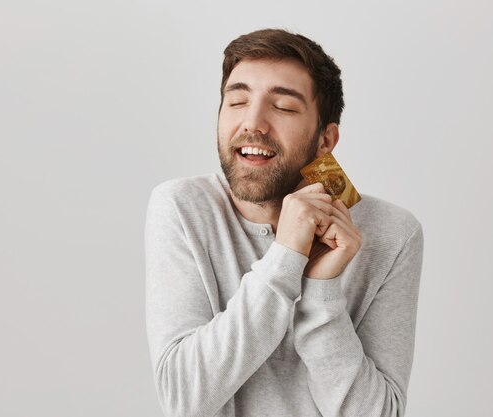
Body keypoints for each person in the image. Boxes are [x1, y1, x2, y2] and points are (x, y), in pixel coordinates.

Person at [144, 28, 423, 417]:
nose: (252, 123)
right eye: (237, 101)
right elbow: (183, 399)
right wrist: (286, 255)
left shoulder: (392, 233)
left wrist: (322, 293)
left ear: (325, 141)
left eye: (284, 107)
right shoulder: (182, 208)